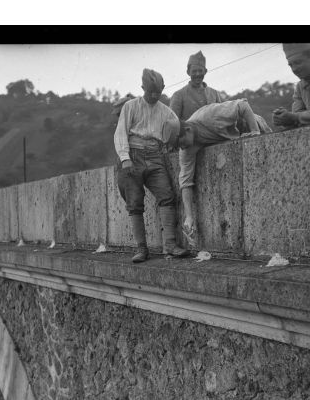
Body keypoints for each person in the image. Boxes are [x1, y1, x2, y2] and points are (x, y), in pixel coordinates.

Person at [114, 68, 190, 263]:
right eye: (150, 91)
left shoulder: (166, 111)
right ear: (143, 88)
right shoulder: (130, 106)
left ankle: (170, 245)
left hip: (156, 155)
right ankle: (141, 249)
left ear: (163, 88)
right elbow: (120, 132)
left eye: (158, 91)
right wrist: (125, 158)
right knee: (135, 203)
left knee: (167, 196)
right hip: (133, 153)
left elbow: (179, 127)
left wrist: (175, 140)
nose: (154, 95)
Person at [176, 99, 272, 240]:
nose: (182, 148)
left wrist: (255, 132)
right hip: (233, 139)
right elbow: (185, 183)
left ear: (188, 130)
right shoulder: (185, 149)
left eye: (181, 143)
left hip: (250, 123)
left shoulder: (209, 116)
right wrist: (189, 217)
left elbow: (243, 105)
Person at [169, 51, 223, 120]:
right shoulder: (178, 95)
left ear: (205, 71)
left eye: (200, 71)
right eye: (194, 71)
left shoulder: (214, 93)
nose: (197, 74)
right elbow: (173, 123)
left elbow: (221, 118)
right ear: (188, 72)